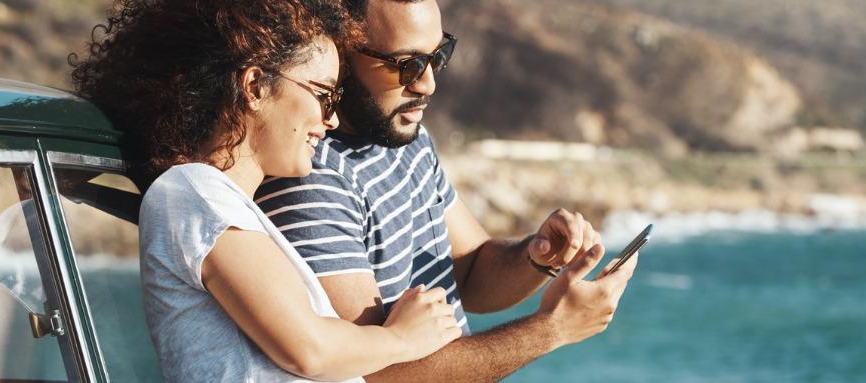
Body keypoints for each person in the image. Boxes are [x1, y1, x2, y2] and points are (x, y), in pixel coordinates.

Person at [70, 0, 461, 381]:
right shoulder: (195, 191)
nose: (332, 118)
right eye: (324, 95)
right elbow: (310, 351)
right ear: (255, 87)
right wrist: (402, 339)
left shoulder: (215, 204)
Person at [253, 0, 640, 381]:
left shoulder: (407, 138)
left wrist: (536, 256)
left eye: (438, 56)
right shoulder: (310, 178)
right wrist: (553, 329)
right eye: (406, 65)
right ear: (342, 55)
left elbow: (471, 274)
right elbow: (378, 374)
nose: (428, 83)